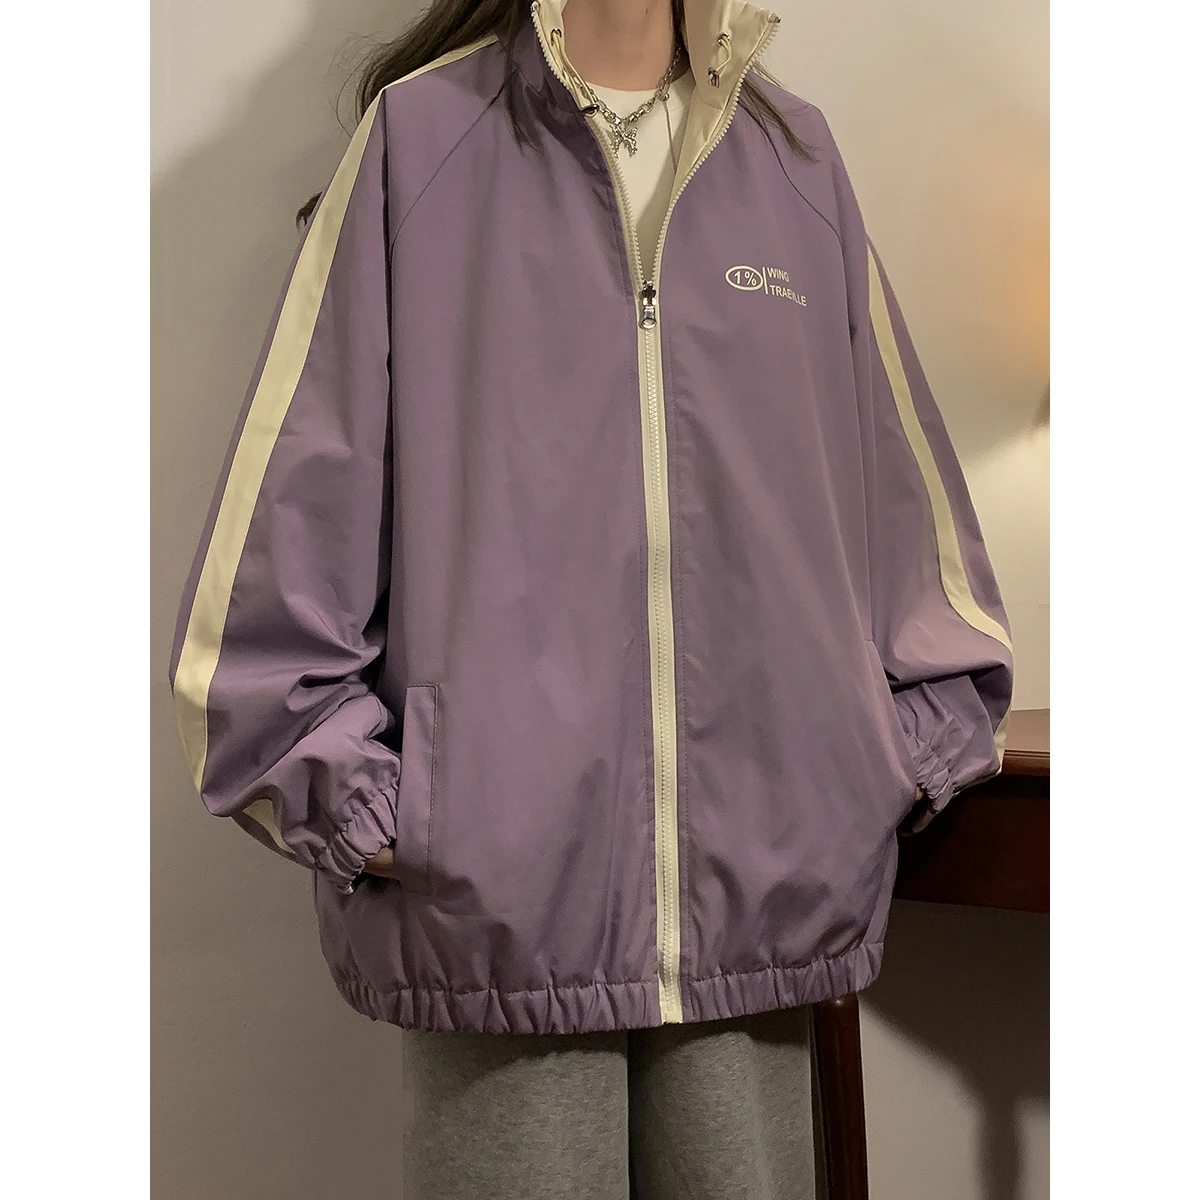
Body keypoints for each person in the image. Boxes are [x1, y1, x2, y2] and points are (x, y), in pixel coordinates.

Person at [167, 0, 1015, 1194]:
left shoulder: (795, 160)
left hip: (760, 922)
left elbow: (918, 544)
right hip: (503, 932)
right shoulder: (423, 143)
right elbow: (278, 560)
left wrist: (862, 776)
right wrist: (395, 813)